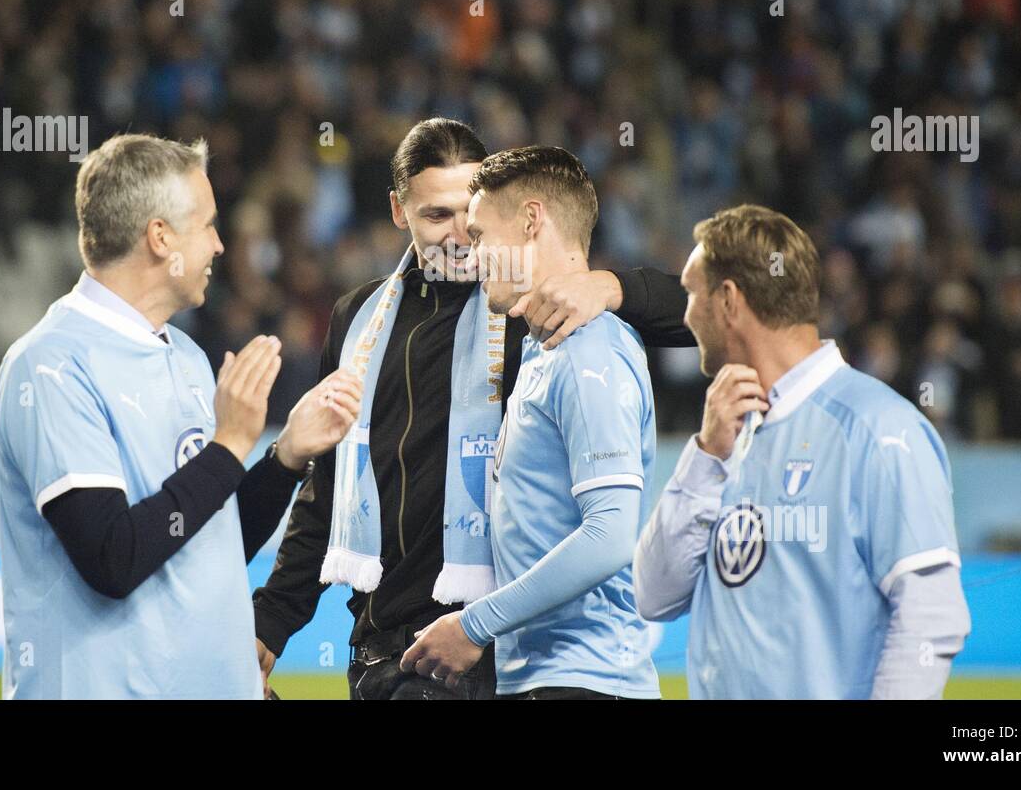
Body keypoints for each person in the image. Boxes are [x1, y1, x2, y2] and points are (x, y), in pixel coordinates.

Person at [252, 118, 692, 700]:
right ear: (397, 211)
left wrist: (611, 287)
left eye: (473, 216)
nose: (462, 237)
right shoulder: (358, 321)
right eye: (437, 216)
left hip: (479, 650)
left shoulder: (533, 309)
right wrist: (272, 621)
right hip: (379, 648)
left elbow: (703, 315)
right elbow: (331, 484)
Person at [0, 133, 362, 699]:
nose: (220, 245)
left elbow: (203, 543)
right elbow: (113, 560)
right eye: (209, 224)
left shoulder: (184, 355)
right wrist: (227, 446)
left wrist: (284, 458)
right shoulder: (51, 365)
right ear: (160, 237)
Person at [632, 204, 971, 698]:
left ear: (728, 300)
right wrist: (706, 457)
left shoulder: (881, 430)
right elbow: (652, 593)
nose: (683, 315)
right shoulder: (728, 435)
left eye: (690, 293)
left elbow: (930, 617)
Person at [401, 145, 661, 699]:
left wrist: (473, 624)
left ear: (531, 220)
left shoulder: (591, 352)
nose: (471, 255)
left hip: (589, 681)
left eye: (479, 235)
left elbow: (609, 535)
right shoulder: (545, 352)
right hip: (547, 680)